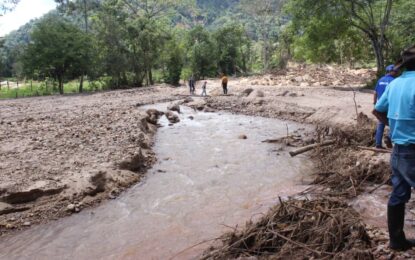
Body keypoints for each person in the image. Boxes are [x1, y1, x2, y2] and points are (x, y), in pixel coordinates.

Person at [373, 44, 415, 251]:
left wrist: (394, 126)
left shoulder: (394, 84)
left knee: (399, 194)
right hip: (413, 150)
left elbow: (377, 110)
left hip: (398, 150)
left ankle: (396, 241)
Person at [374, 64, 399, 148]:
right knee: (394, 123)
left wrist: (375, 104)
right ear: (390, 71)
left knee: (381, 124)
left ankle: (378, 144)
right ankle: (389, 137)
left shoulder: (380, 80)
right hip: (390, 107)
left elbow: (375, 92)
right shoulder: (394, 81)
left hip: (381, 106)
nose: (396, 72)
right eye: (395, 71)